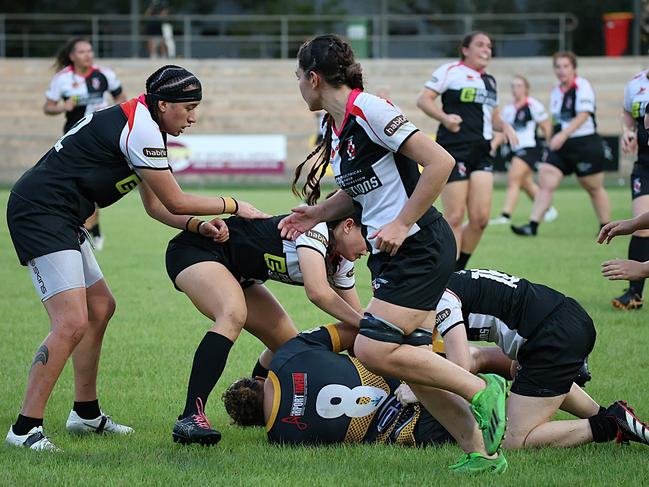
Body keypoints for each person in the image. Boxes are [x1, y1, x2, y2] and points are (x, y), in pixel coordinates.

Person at [5, 64, 268, 452]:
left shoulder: (147, 124)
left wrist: (198, 225)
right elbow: (176, 199)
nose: (193, 117)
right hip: (40, 212)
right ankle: (25, 429)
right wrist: (234, 205)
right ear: (163, 104)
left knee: (100, 307)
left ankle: (85, 413)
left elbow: (158, 207)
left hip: (61, 213)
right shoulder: (140, 127)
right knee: (71, 321)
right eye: (188, 107)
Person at [279, 34, 509, 474]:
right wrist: (317, 214)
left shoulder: (370, 109)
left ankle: (482, 390)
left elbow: (439, 162)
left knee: (372, 349)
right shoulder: (337, 124)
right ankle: (484, 454)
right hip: (394, 252)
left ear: (313, 78)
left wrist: (403, 222)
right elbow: (360, 190)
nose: (298, 87)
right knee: (416, 369)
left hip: (418, 244)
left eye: (297, 78)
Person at [165, 209, 368, 445]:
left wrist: (382, 355)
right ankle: (191, 416)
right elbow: (318, 292)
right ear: (348, 225)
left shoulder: (341, 261)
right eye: (368, 235)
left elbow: (356, 322)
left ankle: (257, 394)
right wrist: (367, 324)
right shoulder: (316, 229)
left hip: (239, 273)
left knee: (293, 350)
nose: (370, 246)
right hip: (197, 251)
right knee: (232, 313)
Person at [433, 269, 649, 449]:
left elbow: (459, 368)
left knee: (509, 439)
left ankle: (610, 424)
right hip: (562, 321)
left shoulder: (441, 297)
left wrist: (420, 388)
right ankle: (611, 415)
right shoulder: (447, 282)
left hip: (553, 337)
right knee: (521, 372)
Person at [223, 324, 454, 447]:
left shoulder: (284, 439)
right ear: (260, 380)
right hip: (415, 376)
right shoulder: (289, 355)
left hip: (418, 430)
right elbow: (357, 330)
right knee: (475, 377)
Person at [416, 31, 518, 270]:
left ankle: (457, 269)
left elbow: (492, 116)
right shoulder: (450, 71)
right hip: (454, 149)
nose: (486, 50)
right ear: (465, 50)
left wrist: (504, 126)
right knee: (454, 216)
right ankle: (449, 275)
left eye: (490, 47)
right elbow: (424, 100)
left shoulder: (490, 81)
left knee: (481, 219)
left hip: (482, 151)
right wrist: (445, 118)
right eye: (481, 45)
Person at [512, 51, 611, 237]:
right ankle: (532, 226)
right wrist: (554, 137)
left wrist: (563, 135)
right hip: (562, 144)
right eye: (558, 66)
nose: (561, 70)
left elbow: (584, 114)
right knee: (546, 178)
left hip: (585, 142)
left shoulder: (583, 86)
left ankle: (606, 226)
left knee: (592, 186)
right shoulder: (556, 91)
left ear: (573, 68)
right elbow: (558, 120)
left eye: (565, 66)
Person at [44, 37, 127, 250]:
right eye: (82, 51)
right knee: (79, 186)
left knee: (93, 185)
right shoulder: (62, 79)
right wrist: (64, 107)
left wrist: (117, 117)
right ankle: (92, 231)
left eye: (89, 51)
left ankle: (88, 232)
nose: (87, 55)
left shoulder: (105, 75)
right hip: (75, 140)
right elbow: (48, 107)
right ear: (72, 56)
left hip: (102, 139)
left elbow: (122, 98)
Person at [601, 70, 649, 310]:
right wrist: (628, 132)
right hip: (644, 167)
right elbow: (628, 116)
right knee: (641, 228)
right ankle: (634, 294)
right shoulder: (635, 84)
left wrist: (642, 268)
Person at [489, 75, 558, 225]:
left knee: (513, 177)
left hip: (530, 148)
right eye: (513, 86)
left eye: (519, 86)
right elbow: (503, 132)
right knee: (525, 182)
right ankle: (547, 209)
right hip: (515, 150)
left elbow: (546, 125)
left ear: (526, 89)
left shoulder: (533, 105)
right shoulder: (508, 109)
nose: (515, 89)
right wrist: (494, 145)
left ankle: (505, 215)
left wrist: (550, 146)